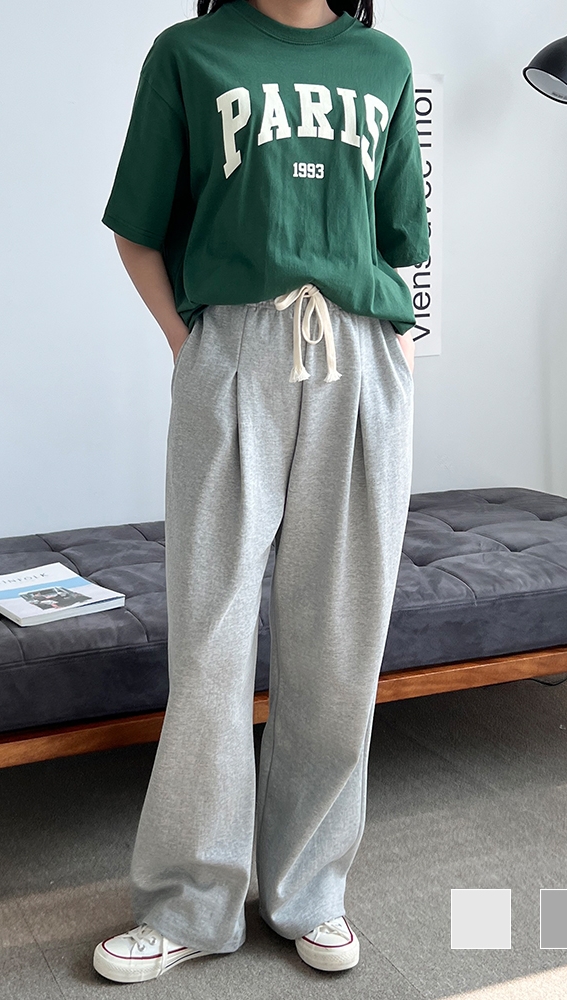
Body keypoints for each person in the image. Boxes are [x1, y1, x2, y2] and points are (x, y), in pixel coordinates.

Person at [93, 0, 429, 982]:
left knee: (340, 634)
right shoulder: (188, 53)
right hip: (234, 349)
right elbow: (136, 228)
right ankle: (189, 902)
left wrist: (396, 357)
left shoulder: (383, 62)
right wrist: (191, 347)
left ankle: (310, 889)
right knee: (210, 635)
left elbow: (401, 240)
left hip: (360, 357)